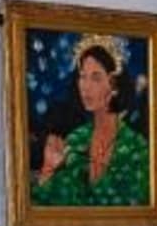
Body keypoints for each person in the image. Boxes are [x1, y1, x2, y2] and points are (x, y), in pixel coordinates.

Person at [34, 34, 146, 206]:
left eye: (95, 77)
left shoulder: (136, 148)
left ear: (114, 85)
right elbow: (47, 207)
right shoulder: (75, 140)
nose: (85, 86)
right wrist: (48, 169)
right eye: (82, 76)